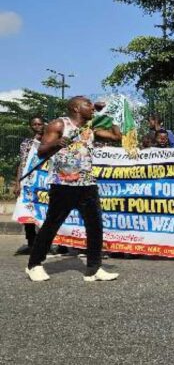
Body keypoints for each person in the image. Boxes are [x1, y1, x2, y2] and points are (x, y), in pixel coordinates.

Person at [25, 96, 121, 282]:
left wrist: (111, 115)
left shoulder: (90, 128)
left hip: (87, 184)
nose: (92, 107)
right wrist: (56, 143)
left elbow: (117, 137)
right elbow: (41, 150)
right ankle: (34, 265)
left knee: (95, 227)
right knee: (52, 225)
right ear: (76, 108)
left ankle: (94, 268)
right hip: (63, 184)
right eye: (88, 104)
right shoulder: (59, 125)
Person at [13, 116, 45, 256]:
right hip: (28, 182)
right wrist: (17, 182)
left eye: (40, 124)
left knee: (45, 212)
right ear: (31, 126)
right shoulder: (26, 143)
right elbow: (22, 163)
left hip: (44, 181)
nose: (37, 126)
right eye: (34, 124)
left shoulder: (50, 141)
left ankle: (50, 244)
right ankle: (31, 243)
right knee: (27, 211)